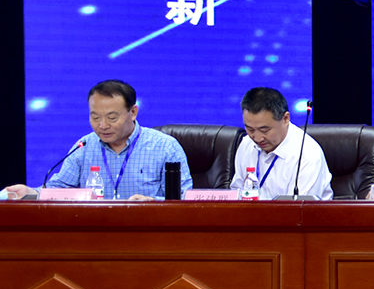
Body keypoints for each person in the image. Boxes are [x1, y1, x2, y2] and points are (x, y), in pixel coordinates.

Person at [6, 80, 191, 200]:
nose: (102, 125)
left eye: (112, 117)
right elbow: (59, 189)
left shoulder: (165, 146)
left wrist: (153, 202)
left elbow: (184, 197)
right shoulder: (84, 146)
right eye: (95, 117)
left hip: (148, 232)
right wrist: (32, 193)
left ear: (133, 112)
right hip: (94, 234)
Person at [233, 87, 333, 200]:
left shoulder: (307, 155)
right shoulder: (246, 144)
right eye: (250, 129)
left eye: (264, 130)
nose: (257, 138)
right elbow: (237, 194)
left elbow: (300, 208)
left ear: (285, 119)